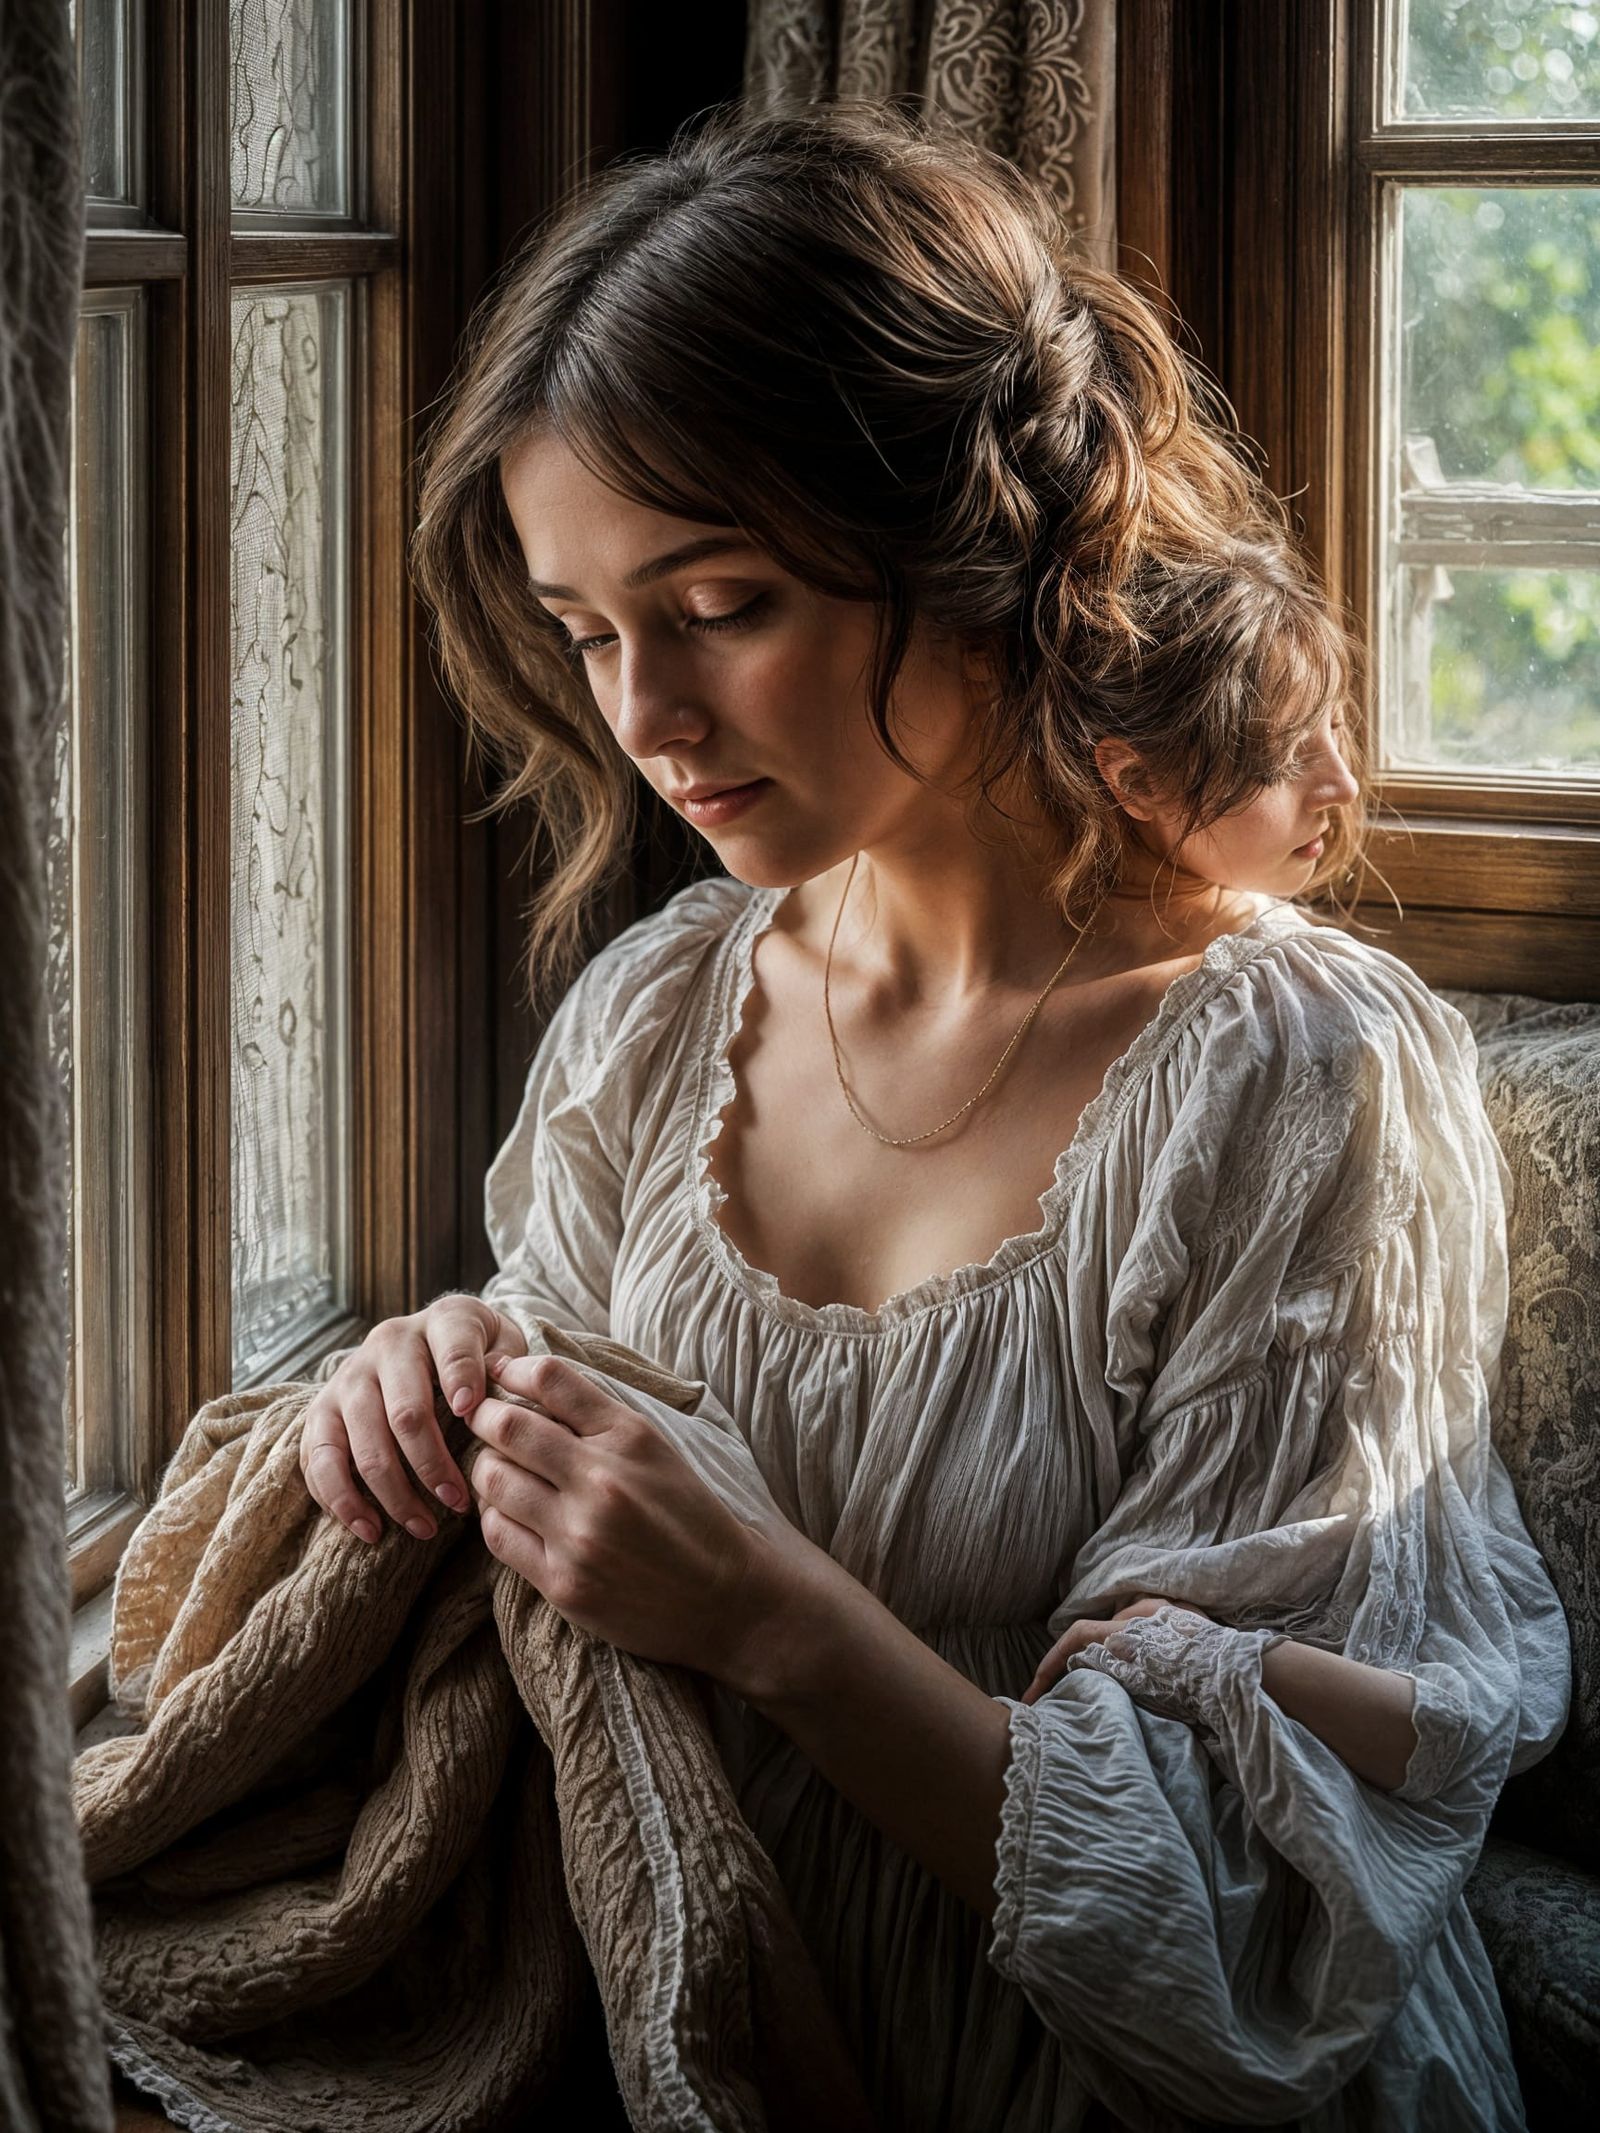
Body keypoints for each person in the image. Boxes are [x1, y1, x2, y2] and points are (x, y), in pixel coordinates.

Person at [298, 103, 1568, 2130]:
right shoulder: (652, 1011)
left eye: (718, 606)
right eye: (586, 633)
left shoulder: (1299, 1078)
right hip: (675, 2034)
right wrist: (432, 1383)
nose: (645, 719)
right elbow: (563, 1521)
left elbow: (1250, 1925)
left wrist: (769, 1615)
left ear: (979, 552)